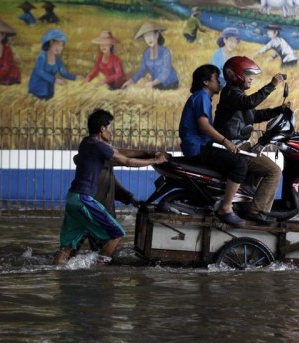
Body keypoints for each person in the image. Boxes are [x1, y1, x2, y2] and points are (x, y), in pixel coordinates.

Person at [53, 109, 167, 265]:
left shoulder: (87, 142)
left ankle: (55, 271)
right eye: (110, 128)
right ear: (102, 129)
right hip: (84, 198)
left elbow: (120, 151)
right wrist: (155, 161)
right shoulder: (99, 146)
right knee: (117, 234)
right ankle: (98, 269)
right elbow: (127, 161)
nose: (112, 133)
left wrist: (147, 153)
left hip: (72, 198)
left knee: (66, 247)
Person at [214, 56, 287, 224]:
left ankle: (248, 205)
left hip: (243, 146)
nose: (251, 78)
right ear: (236, 74)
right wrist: (272, 85)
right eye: (248, 74)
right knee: (274, 171)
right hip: (235, 148)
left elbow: (255, 115)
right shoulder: (231, 93)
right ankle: (257, 212)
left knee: (264, 171)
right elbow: (249, 103)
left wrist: (280, 110)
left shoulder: (238, 96)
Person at [179, 64, 248, 227]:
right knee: (240, 165)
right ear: (205, 81)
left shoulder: (201, 97)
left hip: (198, 146)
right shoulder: (202, 96)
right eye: (216, 79)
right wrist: (225, 141)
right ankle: (226, 207)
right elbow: (203, 126)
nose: (220, 82)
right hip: (198, 148)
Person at [121, 21, 179, 90]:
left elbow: (165, 72)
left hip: (170, 83)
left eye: (150, 34)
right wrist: (131, 81)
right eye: (146, 36)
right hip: (156, 83)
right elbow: (142, 71)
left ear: (157, 35)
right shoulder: (146, 53)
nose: (148, 39)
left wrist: (153, 83)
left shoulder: (165, 52)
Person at [28, 29, 78, 100]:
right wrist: (55, 80)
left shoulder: (58, 60)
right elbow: (40, 72)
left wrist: (76, 77)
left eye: (62, 45)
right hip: (38, 88)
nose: (60, 48)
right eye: (58, 44)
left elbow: (64, 73)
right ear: (51, 43)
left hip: (49, 90)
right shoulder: (42, 56)